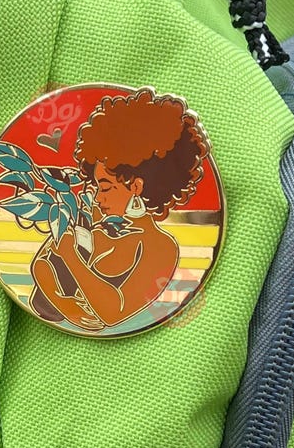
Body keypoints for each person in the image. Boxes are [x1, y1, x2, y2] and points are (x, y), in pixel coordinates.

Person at [29, 87, 208, 331]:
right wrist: (66, 306)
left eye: (105, 187)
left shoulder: (160, 247)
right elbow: (41, 263)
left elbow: (114, 313)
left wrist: (70, 255)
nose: (97, 197)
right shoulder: (91, 215)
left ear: (135, 186)